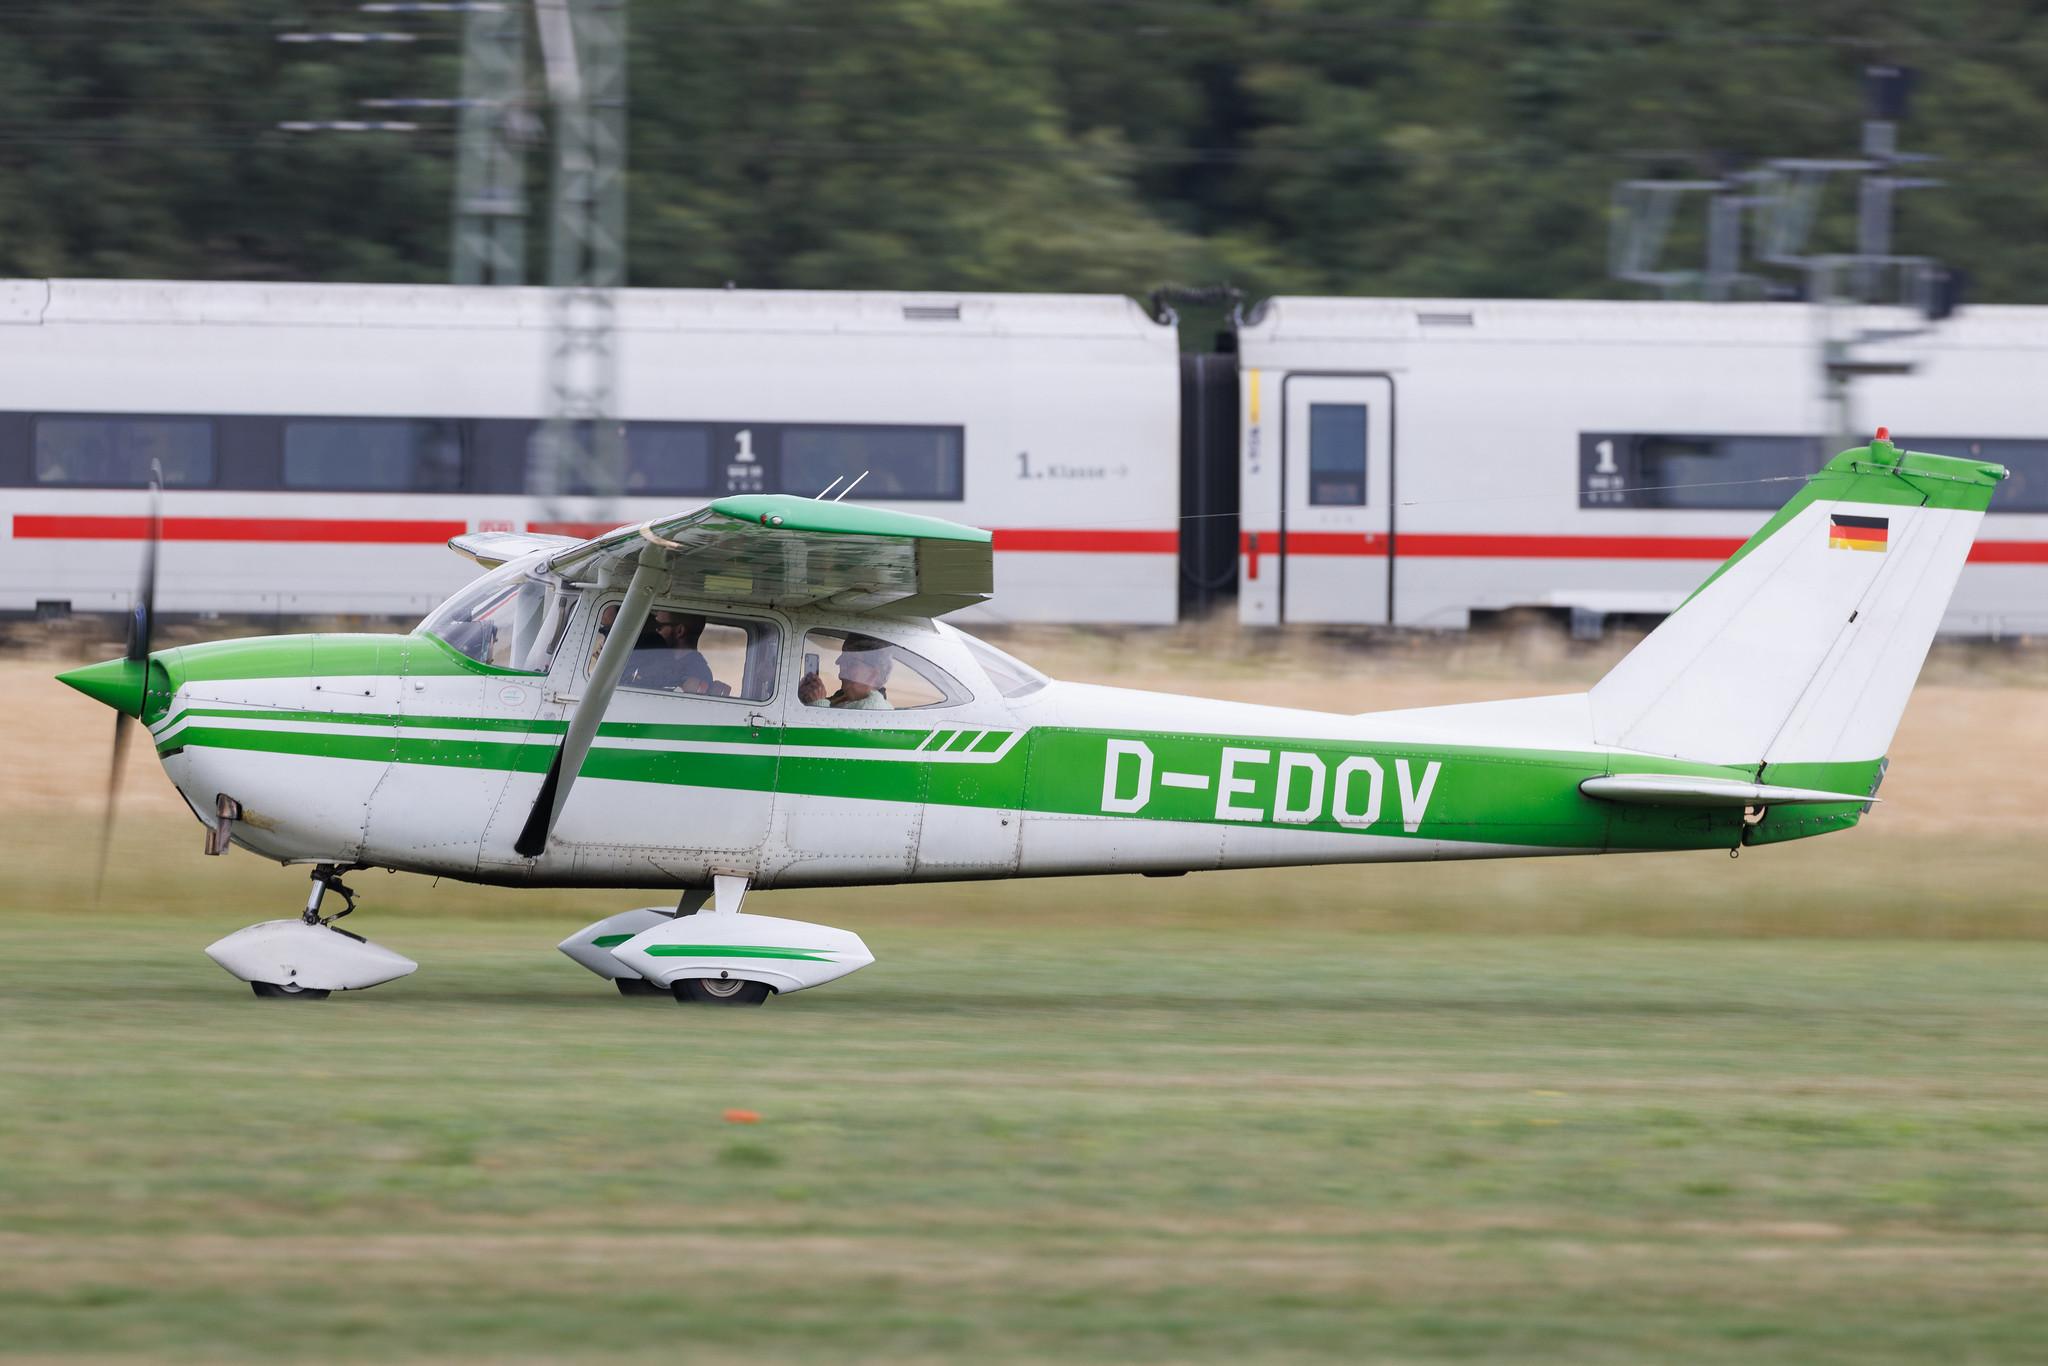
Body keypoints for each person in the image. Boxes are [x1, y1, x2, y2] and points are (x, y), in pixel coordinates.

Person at [800, 633, 895, 710]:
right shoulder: (843, 697)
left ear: (872, 674)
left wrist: (818, 705)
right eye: (843, 657)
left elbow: (829, 733)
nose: (838, 662)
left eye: (851, 661)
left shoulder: (873, 710)